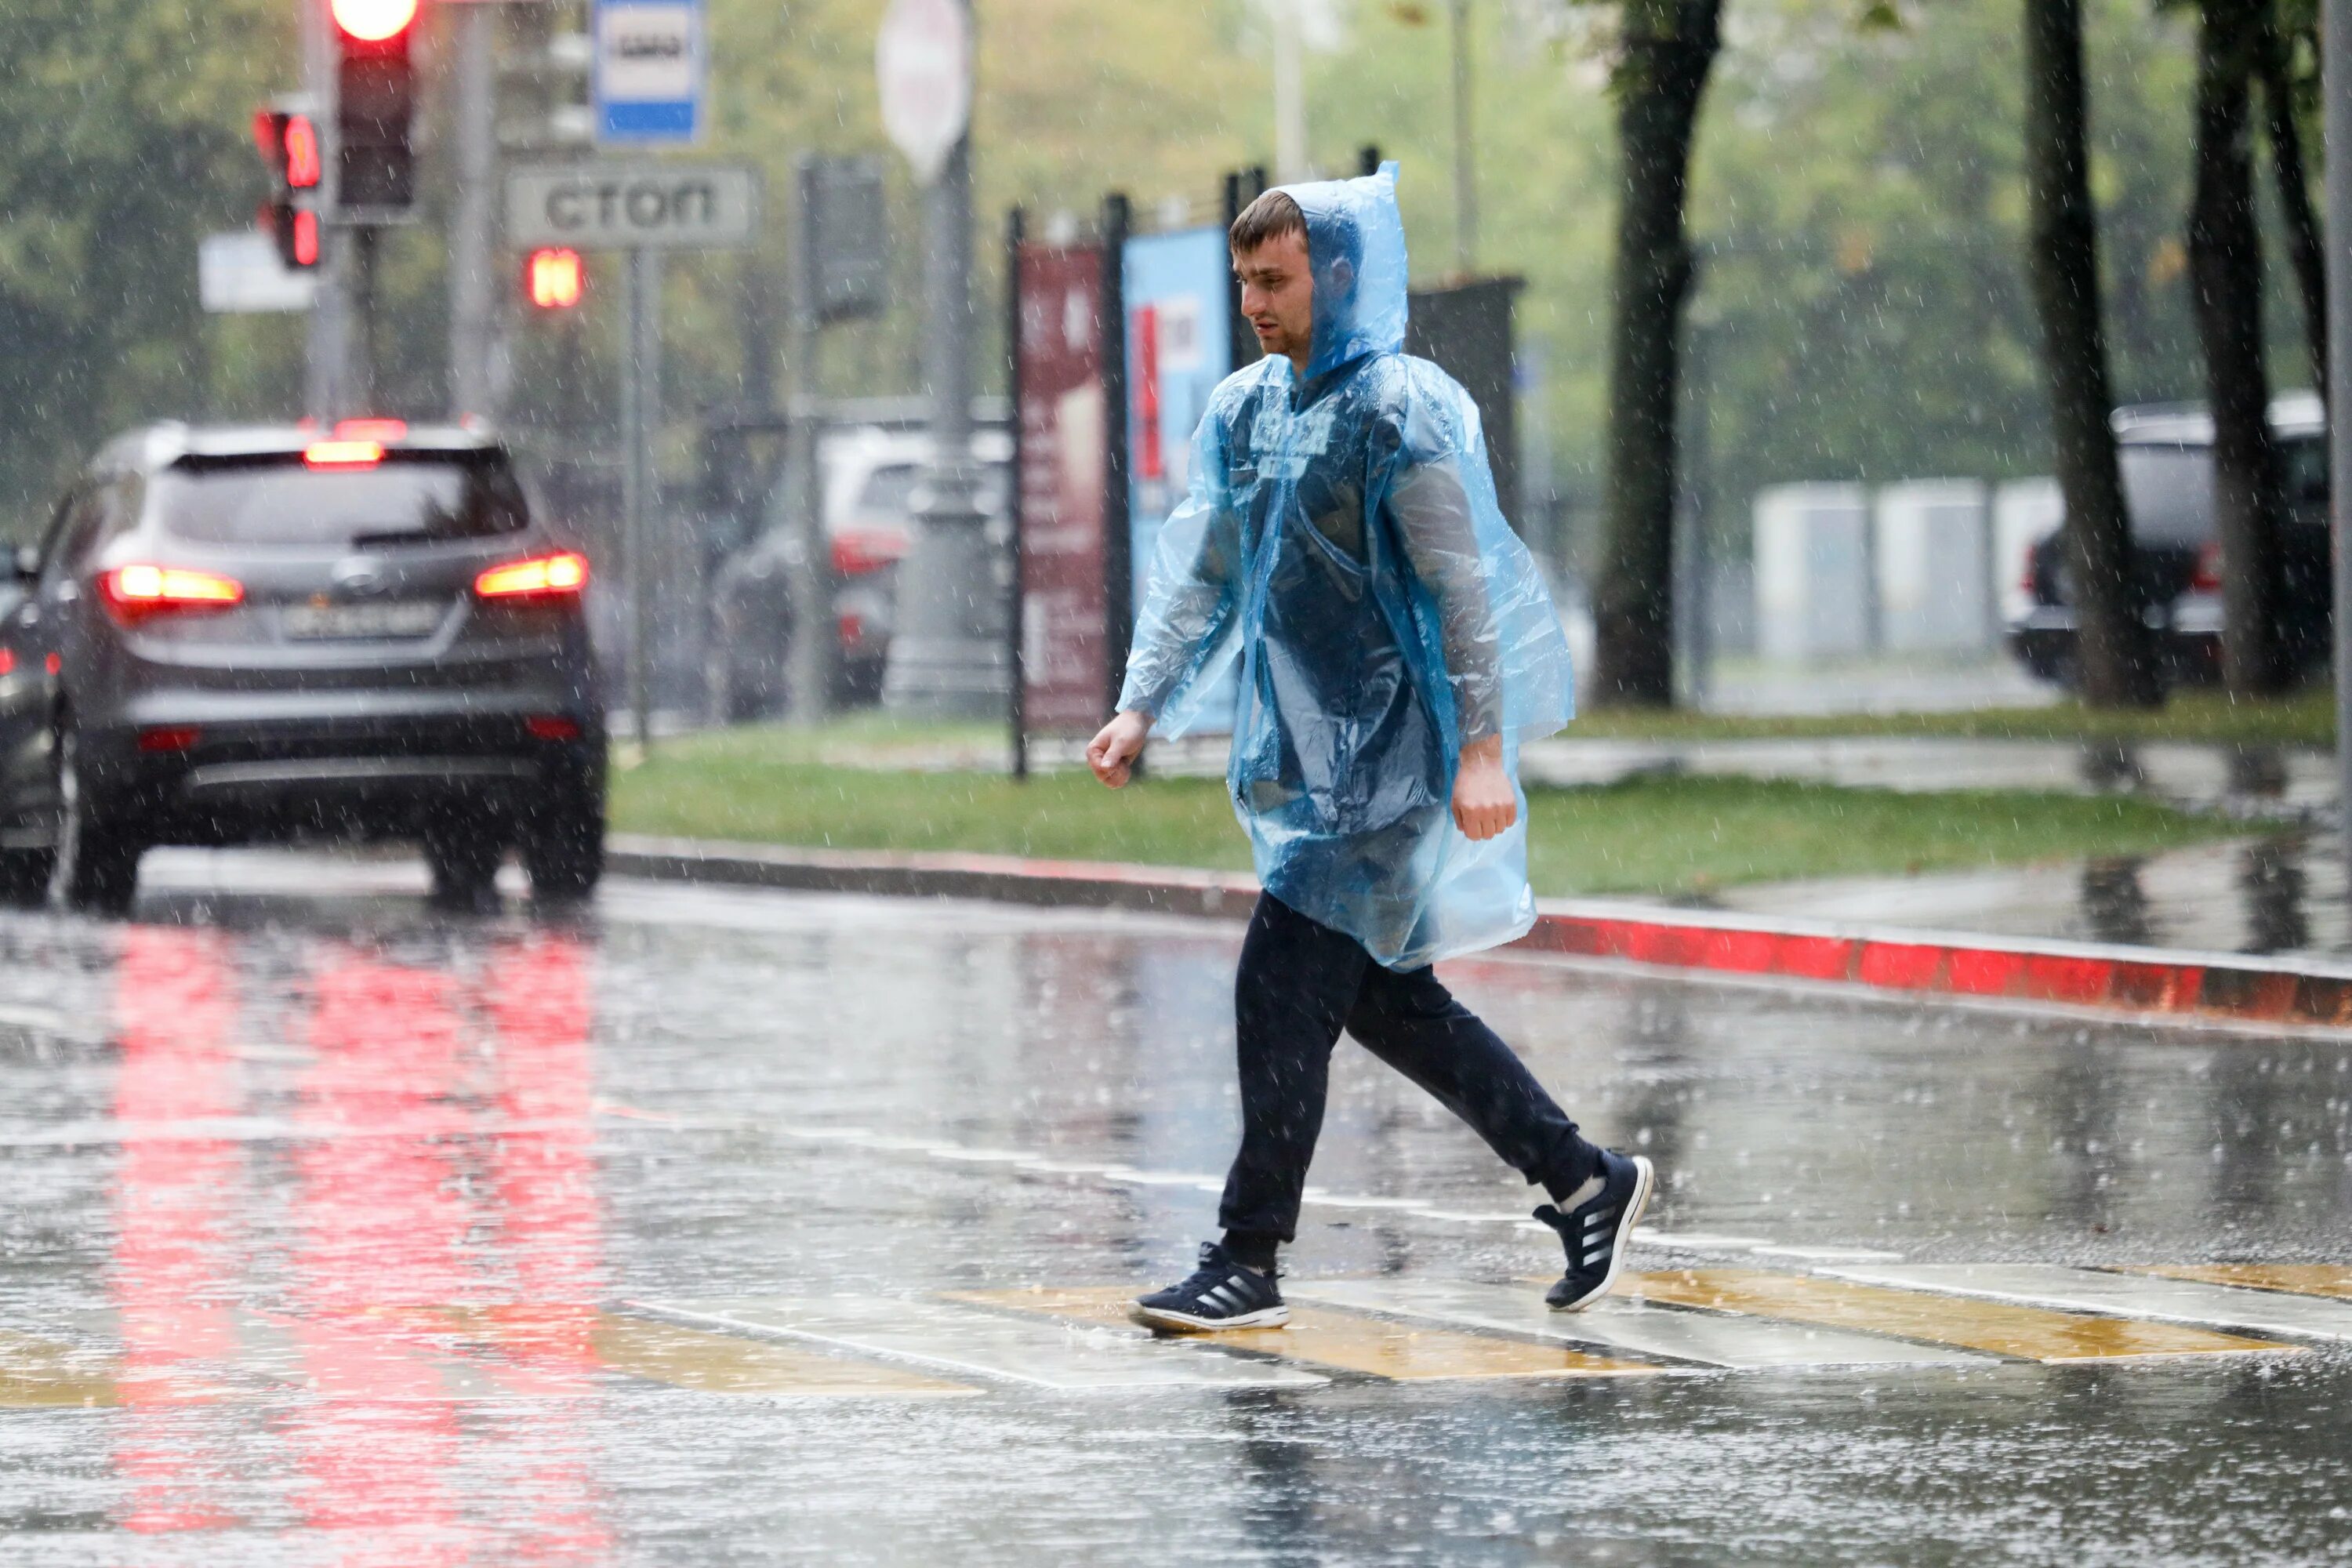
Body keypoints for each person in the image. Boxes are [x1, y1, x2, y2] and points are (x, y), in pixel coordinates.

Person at [1087, 165, 1653, 1334]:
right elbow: (1205, 575)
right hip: (1302, 763)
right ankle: (1583, 1179)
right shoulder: (1250, 409)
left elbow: (1464, 592)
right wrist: (1142, 704)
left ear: (1340, 275)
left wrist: (1482, 749)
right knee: (1391, 1004)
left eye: (1277, 279)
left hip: (1391, 767)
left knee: (1278, 980)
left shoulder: (1404, 408)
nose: (1256, 300)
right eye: (1245, 280)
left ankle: (1249, 1257)